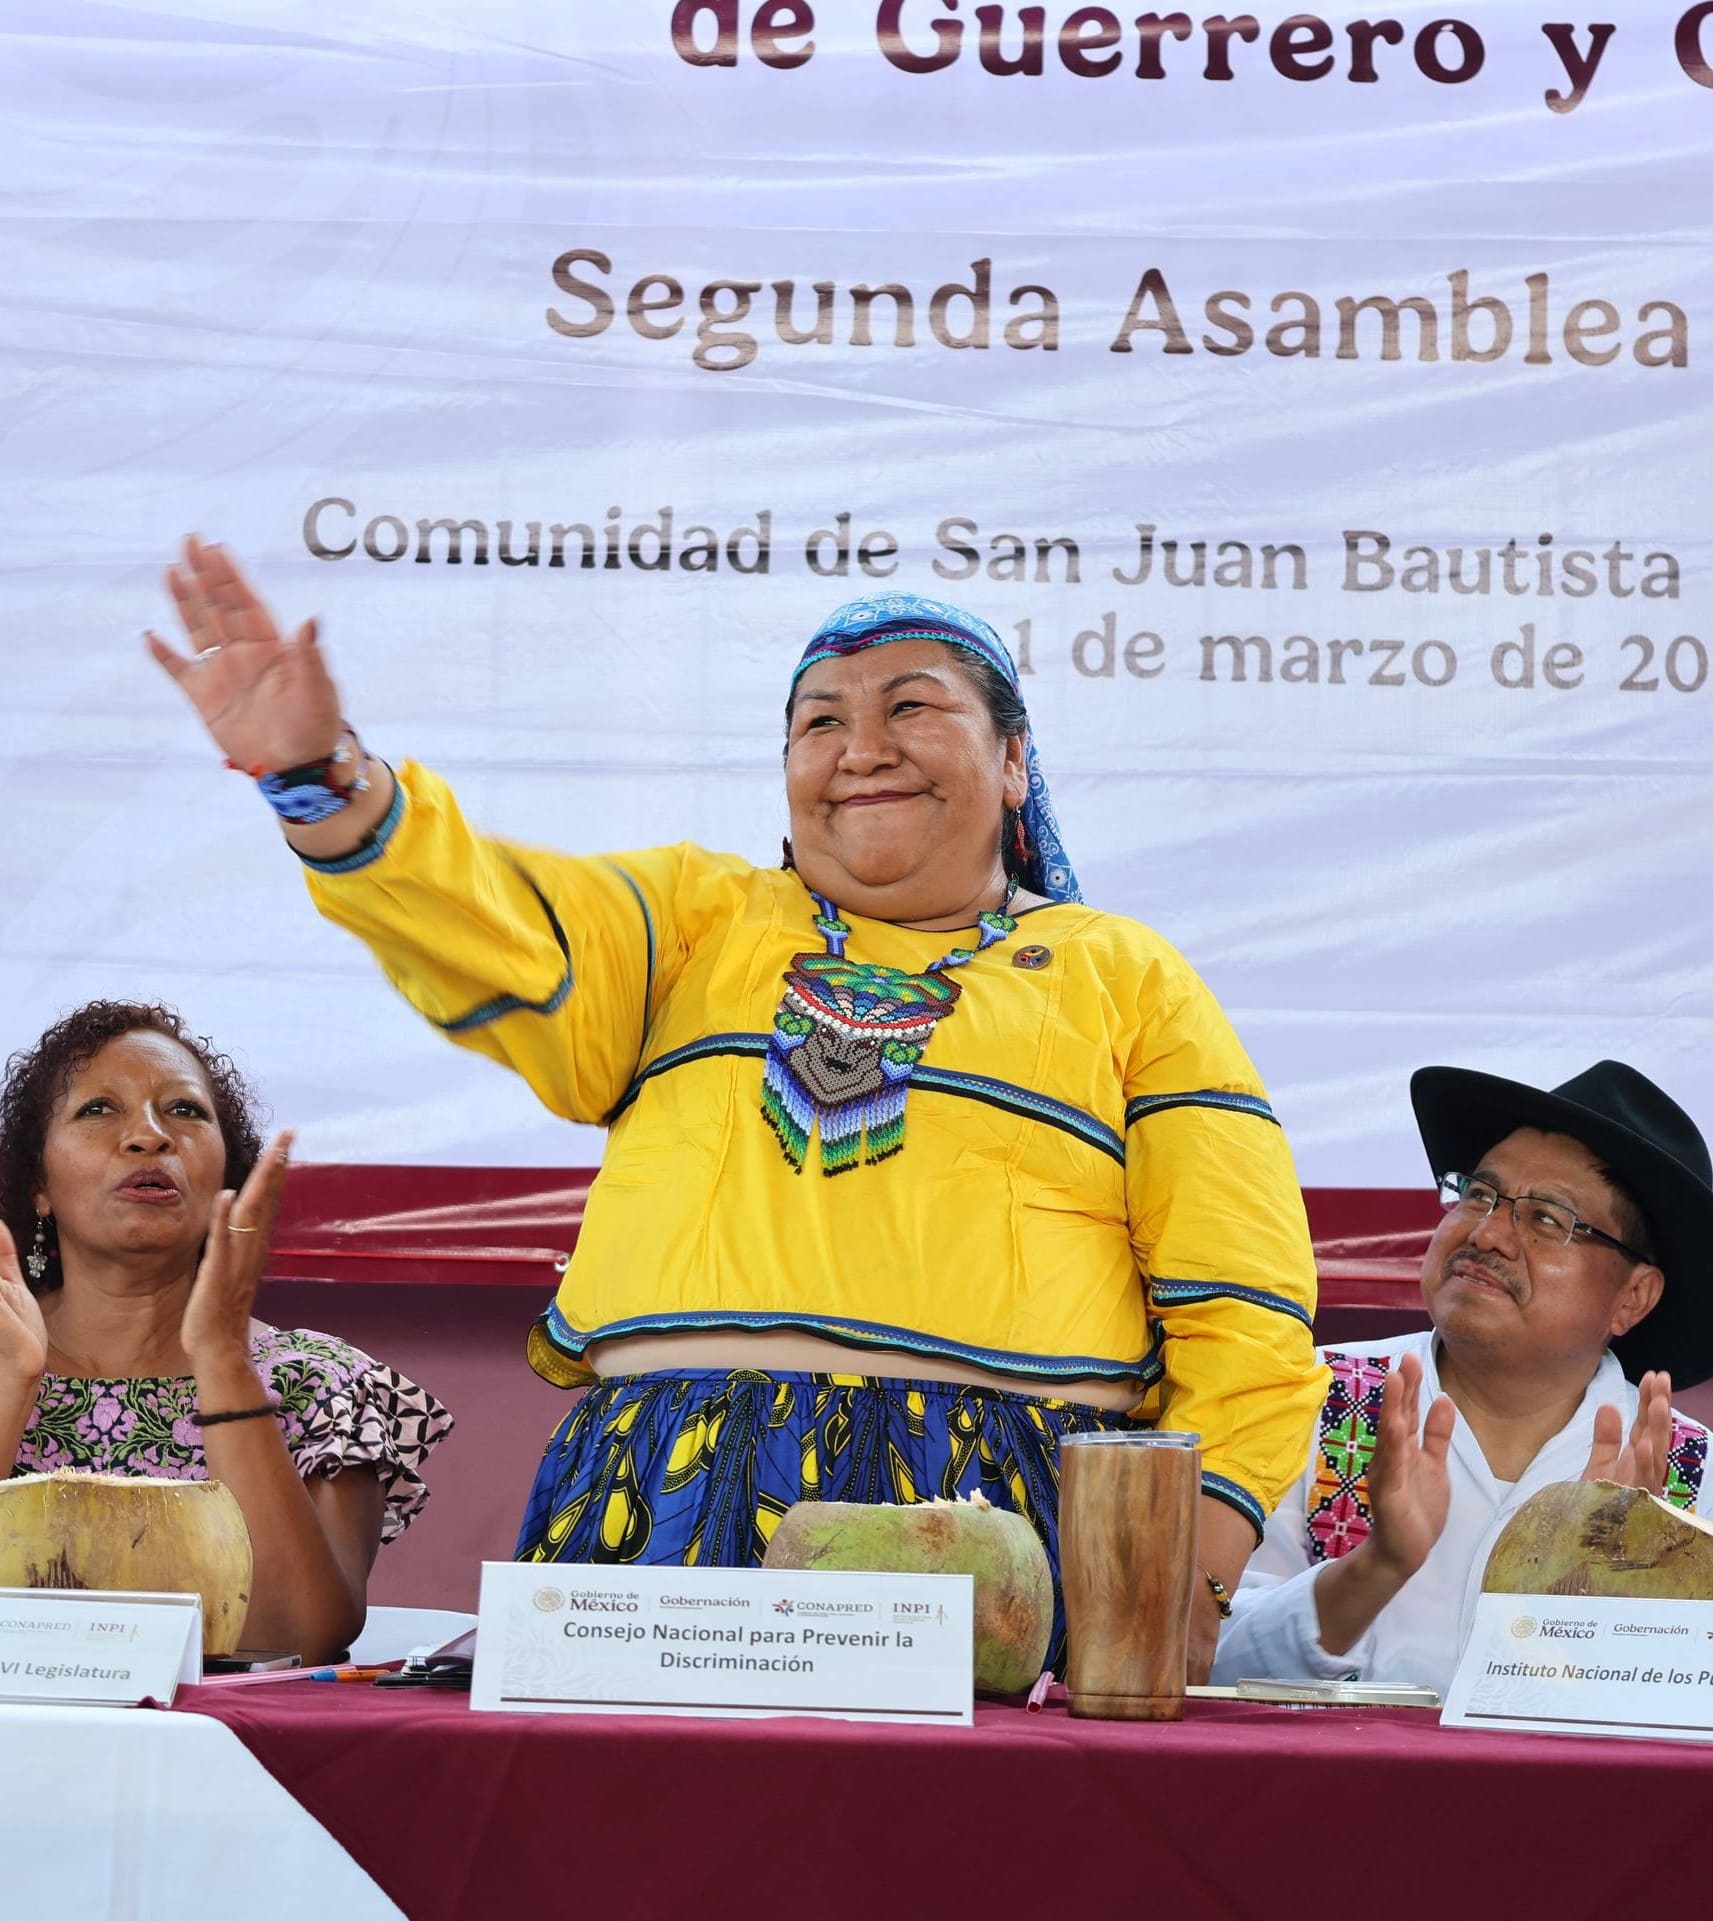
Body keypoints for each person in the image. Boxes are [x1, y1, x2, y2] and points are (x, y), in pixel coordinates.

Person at [149, 538, 1325, 1677]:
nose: (864, 748)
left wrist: (1188, 1578)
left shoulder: (1124, 974)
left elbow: (1248, 1314)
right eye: (820, 722)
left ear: (1015, 760)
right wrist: (326, 778)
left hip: (991, 1524)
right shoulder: (697, 921)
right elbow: (493, 916)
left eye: (912, 708)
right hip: (659, 1493)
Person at [1212, 1060, 1713, 1696]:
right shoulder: (1305, 1397)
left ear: (1633, 1297)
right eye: (1478, 1195)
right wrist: (1375, 1568)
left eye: (1547, 1219)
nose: (1487, 1233)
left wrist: (1605, 1613)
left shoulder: (1690, 1480)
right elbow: (1199, 1655)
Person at [0, 1000, 452, 1661]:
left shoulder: (320, 1382)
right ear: (38, 1182)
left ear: (225, 1176)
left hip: (223, 1732)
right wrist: (11, 1384)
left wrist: (222, 1360)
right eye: (98, 1109)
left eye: (184, 1110)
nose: (148, 1135)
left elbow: (300, 1635)